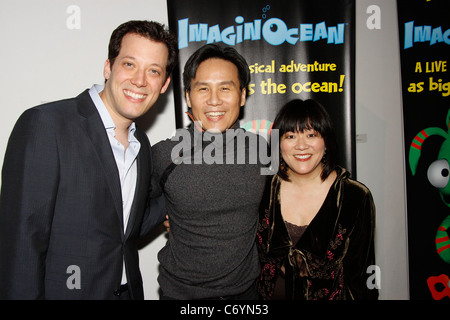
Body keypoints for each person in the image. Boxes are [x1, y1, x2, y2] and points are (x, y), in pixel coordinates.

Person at [0, 20, 178, 300]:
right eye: (130, 64)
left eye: (153, 71)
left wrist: (182, 199)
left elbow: (125, 227)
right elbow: (22, 244)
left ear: (164, 84)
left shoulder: (141, 144)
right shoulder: (46, 124)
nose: (140, 80)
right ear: (109, 67)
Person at [150, 44, 268, 299]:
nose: (214, 100)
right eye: (203, 88)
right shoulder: (164, 155)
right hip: (181, 295)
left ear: (243, 95)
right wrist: (167, 215)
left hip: (247, 294)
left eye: (225, 88)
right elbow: (131, 214)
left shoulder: (261, 149)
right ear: (189, 96)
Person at [256, 99, 378, 300]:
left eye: (311, 134)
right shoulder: (261, 189)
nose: (301, 145)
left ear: (327, 142)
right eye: (291, 136)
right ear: (279, 144)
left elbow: (363, 276)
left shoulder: (354, 197)